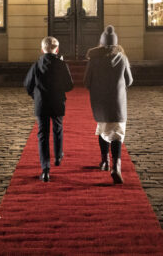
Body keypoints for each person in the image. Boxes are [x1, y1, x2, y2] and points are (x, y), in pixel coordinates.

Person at [84, 25, 133, 185]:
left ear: (101, 42)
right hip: (117, 101)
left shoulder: (94, 59)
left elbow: (86, 81)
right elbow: (130, 80)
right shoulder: (122, 57)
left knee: (103, 129)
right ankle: (116, 166)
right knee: (118, 133)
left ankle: (104, 161)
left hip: (100, 101)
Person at [24, 36, 74, 183]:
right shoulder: (61, 64)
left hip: (41, 103)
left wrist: (36, 96)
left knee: (43, 135)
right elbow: (69, 86)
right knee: (58, 129)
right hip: (57, 102)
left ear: (42, 49)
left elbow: (27, 84)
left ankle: (45, 169)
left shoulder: (36, 65)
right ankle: (58, 156)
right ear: (56, 49)